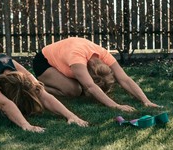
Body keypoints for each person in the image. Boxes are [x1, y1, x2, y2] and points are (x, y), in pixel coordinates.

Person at [32, 37, 160, 112]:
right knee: (74, 90)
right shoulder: (77, 59)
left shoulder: (104, 55)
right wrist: (115, 105)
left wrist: (146, 101)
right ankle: (35, 86)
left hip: (64, 57)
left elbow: (124, 79)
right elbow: (90, 86)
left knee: (80, 88)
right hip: (44, 62)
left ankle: (61, 80)